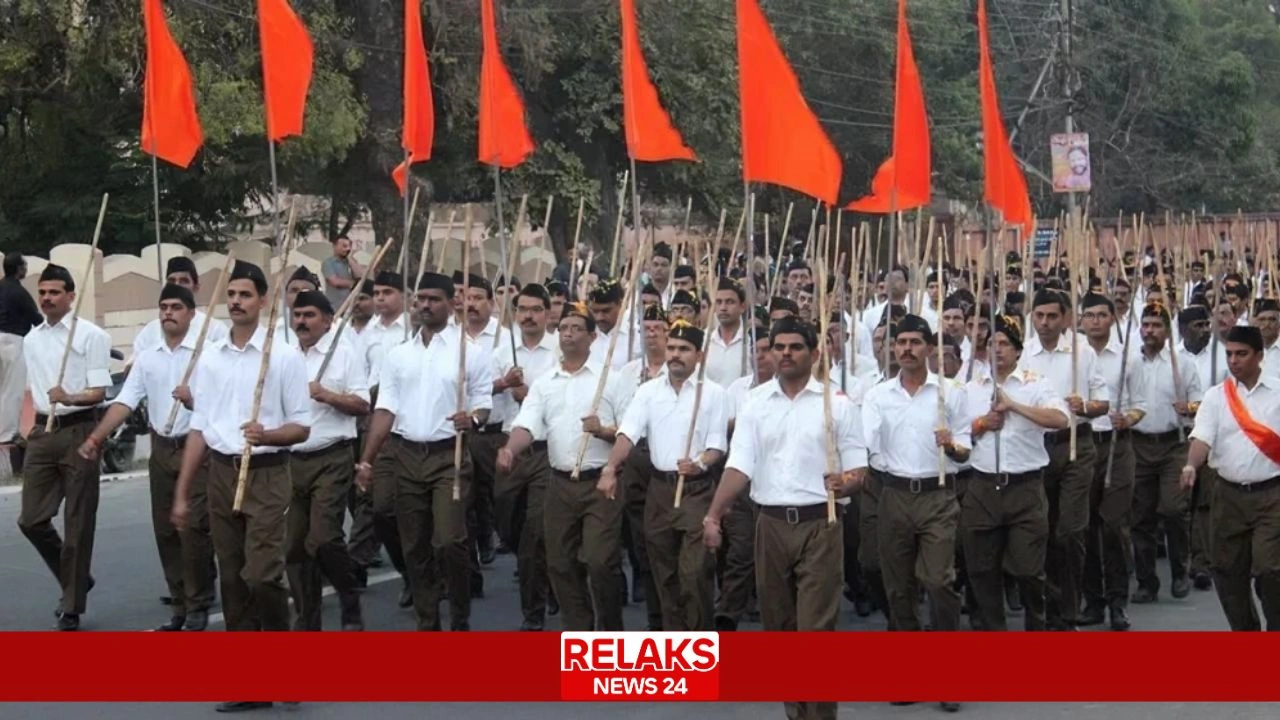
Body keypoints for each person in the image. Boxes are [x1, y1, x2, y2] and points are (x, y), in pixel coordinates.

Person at [704, 316, 867, 720]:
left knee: (814, 634)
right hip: (771, 524)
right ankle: (796, 712)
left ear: (814, 354)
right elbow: (739, 466)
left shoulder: (838, 403)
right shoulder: (754, 404)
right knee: (780, 632)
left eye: (796, 347)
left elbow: (860, 471)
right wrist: (714, 514)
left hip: (821, 524)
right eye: (779, 347)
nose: (786, 354)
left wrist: (843, 481)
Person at [355, 271, 494, 632]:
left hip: (450, 454)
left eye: (434, 299)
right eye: (421, 299)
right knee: (414, 545)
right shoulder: (398, 356)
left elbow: (483, 405)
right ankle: (427, 622)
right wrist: (367, 459)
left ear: (451, 304)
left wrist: (474, 419)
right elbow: (384, 409)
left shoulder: (471, 353)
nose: (426, 305)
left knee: (449, 541)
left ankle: (460, 618)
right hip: (404, 454)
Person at [78, 284, 216, 632]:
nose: (169, 312)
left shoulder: (209, 355)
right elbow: (125, 400)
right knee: (166, 530)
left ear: (191, 313)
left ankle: (200, 601)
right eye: (164, 306)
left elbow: (224, 408)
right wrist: (97, 437)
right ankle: (181, 604)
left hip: (197, 448)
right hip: (162, 448)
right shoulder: (149, 356)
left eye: (176, 307)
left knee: (193, 529)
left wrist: (194, 400)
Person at [498, 302, 631, 631]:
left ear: (592, 337)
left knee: (600, 562)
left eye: (576, 329)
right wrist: (510, 450)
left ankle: (611, 631)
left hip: (601, 483)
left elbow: (631, 431)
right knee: (559, 563)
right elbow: (526, 424)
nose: (568, 334)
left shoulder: (611, 380)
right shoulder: (545, 383)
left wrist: (603, 430)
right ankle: (580, 632)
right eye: (564, 328)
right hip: (559, 483)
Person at [603, 320, 728, 631]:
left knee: (694, 573)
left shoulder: (713, 393)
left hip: (696, 492)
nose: (675, 354)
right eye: (672, 347)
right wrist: (610, 468)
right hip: (658, 491)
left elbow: (717, 446)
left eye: (684, 349)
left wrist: (700, 462)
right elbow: (627, 433)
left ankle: (700, 639)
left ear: (699, 356)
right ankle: (675, 642)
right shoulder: (647, 391)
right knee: (664, 575)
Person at [861, 315, 971, 642]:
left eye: (915, 342)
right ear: (893, 348)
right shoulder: (877, 396)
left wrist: (951, 445)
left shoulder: (951, 392)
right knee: (898, 587)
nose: (907, 349)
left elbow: (965, 450)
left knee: (938, 580)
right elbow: (866, 446)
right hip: (893, 494)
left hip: (937, 495)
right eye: (901, 342)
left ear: (928, 348)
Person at [19, 263, 112, 631]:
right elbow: (34, 388)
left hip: (79, 430)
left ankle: (72, 604)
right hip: (44, 432)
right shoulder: (31, 339)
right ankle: (76, 578)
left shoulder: (91, 336)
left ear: (71, 296)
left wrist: (70, 396)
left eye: (55, 292)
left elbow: (100, 392)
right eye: (42, 292)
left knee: (77, 522)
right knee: (31, 520)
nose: (47, 298)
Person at [962, 314, 1069, 631]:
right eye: (991, 343)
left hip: (1025, 487)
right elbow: (956, 435)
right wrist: (982, 424)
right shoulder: (971, 388)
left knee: (1027, 569)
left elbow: (1060, 419)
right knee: (982, 570)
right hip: (983, 486)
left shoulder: (1036, 384)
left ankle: (1036, 625)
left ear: (1018, 350)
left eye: (1004, 344)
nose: (997, 350)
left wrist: (1014, 406)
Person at [1020, 288, 1110, 629]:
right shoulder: (1024, 354)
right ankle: (1049, 606)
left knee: (1070, 532)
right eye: (1039, 316)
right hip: (1037, 448)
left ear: (1066, 318)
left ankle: (1070, 610)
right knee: (1043, 530)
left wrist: (1085, 406)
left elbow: (1104, 402)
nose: (1045, 323)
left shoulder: (1082, 352)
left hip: (1076, 445)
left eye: (1052, 316)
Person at [1183, 325, 1280, 630]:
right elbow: (1201, 438)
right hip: (1228, 496)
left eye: (1242, 354)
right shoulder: (1216, 397)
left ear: (1259, 356)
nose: (1234, 360)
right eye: (1229, 354)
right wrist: (1190, 466)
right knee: (1226, 571)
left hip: (1272, 496)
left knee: (1270, 569)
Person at [285, 290, 368, 632]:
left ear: (328, 320)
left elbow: (363, 405)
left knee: (322, 538)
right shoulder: (284, 357)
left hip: (331, 455)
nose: (301, 321)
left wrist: (327, 395)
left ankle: (349, 597)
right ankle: (308, 620)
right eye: (297, 315)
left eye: (309, 315)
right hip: (291, 458)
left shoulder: (345, 355)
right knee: (294, 547)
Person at [491, 284, 560, 630]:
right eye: (522, 309)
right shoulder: (502, 349)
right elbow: (478, 391)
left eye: (536, 309)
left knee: (536, 530)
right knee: (506, 521)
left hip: (547, 450)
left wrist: (527, 393)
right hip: (509, 445)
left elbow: (562, 400)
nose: (528, 316)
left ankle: (533, 612)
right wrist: (503, 384)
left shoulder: (560, 350)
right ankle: (543, 570)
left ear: (548, 313)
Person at [1079, 292, 1143, 631]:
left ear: (1112, 319)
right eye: (1089, 315)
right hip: (1084, 444)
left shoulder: (1127, 357)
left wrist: (1128, 418)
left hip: (1117, 446)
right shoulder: (1073, 355)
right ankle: (1093, 600)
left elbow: (1141, 403)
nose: (1095, 321)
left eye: (1101, 315)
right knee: (1084, 525)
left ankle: (1119, 602)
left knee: (1113, 524)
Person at [1130, 301, 1202, 604]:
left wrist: (1189, 407)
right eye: (1146, 325)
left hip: (1174, 444)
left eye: (1156, 326)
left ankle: (1180, 570)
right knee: (1140, 516)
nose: (1150, 331)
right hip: (1138, 445)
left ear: (1168, 331)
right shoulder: (1130, 362)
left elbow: (1202, 404)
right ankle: (1147, 581)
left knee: (1173, 510)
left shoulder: (1183, 364)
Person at [357, 270, 412, 604]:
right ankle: (408, 571)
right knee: (380, 507)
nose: (380, 298)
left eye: (387, 292)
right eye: (376, 293)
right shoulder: (365, 334)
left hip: (410, 426)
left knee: (415, 509)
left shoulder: (415, 330)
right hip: (376, 423)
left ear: (404, 295)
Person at [132, 256, 228, 357]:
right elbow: (135, 366)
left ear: (196, 287)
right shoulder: (150, 332)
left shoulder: (215, 329)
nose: (176, 286)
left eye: (184, 281)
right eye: (172, 281)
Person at [0, 253, 44, 445]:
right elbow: (37, 319)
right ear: (19, 269)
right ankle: (7, 434)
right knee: (12, 390)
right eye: (25, 266)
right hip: (13, 342)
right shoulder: (19, 292)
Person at [322, 235, 363, 309]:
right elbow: (335, 282)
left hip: (351, 306)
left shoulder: (351, 262)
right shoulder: (328, 263)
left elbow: (360, 276)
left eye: (349, 246)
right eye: (344, 246)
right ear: (335, 246)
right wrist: (353, 284)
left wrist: (350, 258)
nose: (347, 249)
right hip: (334, 306)